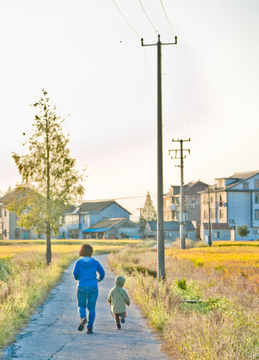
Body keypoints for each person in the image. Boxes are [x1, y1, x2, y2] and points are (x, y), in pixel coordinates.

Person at [73, 244, 105, 334]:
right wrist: (98, 280)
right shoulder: (95, 262)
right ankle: (89, 328)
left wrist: (78, 279)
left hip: (81, 286)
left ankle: (83, 318)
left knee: (81, 305)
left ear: (81, 251)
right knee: (91, 308)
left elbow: (75, 274)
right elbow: (102, 273)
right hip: (93, 287)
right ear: (91, 252)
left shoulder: (78, 262)